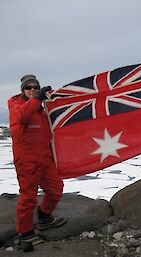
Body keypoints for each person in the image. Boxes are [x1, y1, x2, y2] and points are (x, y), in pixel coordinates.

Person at [8, 75, 66, 251]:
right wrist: (38, 98)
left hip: (44, 158)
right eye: (29, 88)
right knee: (28, 198)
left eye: (35, 87)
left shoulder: (42, 109)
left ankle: (44, 217)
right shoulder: (16, 105)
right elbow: (22, 117)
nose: (32, 90)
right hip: (27, 161)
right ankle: (25, 233)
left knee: (56, 189)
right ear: (23, 91)